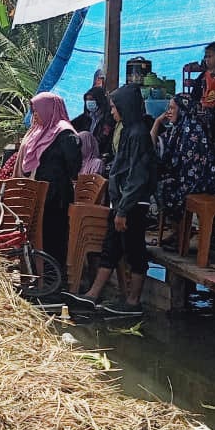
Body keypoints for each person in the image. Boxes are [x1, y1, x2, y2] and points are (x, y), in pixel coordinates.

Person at [64, 84, 157, 317]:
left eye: (115, 107)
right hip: (121, 202)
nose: (112, 111)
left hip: (133, 204)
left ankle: (134, 301)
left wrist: (124, 209)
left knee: (134, 250)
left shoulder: (138, 134)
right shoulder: (126, 130)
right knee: (111, 248)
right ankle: (93, 295)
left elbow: (137, 175)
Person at [12, 92, 81, 266]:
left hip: (56, 196)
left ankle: (54, 278)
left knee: (54, 236)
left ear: (49, 110)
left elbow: (74, 167)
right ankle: (39, 272)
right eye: (33, 111)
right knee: (39, 234)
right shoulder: (40, 132)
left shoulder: (65, 133)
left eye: (37, 111)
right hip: (40, 193)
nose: (35, 115)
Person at [151, 94, 215, 244]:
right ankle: (180, 231)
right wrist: (157, 122)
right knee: (157, 181)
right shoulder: (178, 128)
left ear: (183, 109)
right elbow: (153, 147)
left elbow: (192, 166)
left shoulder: (192, 129)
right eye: (167, 108)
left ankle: (181, 231)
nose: (168, 112)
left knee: (164, 186)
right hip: (187, 176)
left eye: (172, 108)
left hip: (203, 180)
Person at [71, 86, 115, 167]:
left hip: (100, 156)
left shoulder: (108, 120)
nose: (89, 102)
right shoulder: (85, 117)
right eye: (87, 100)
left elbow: (104, 139)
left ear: (99, 100)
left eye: (91, 100)